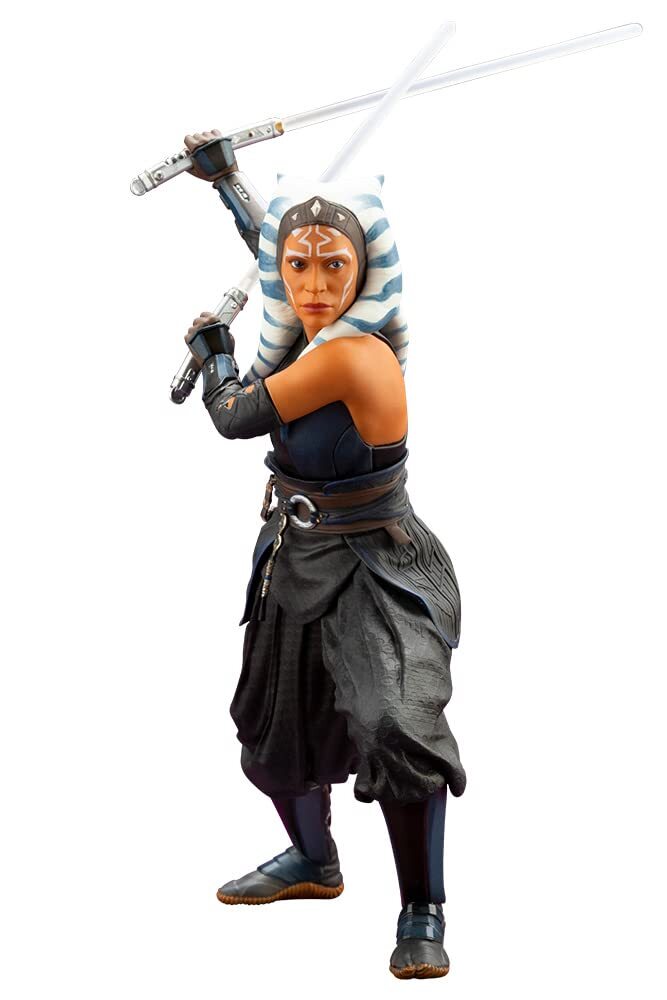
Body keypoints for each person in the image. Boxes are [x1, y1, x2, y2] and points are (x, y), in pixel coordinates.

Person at [184, 133, 466, 979]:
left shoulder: (351, 353)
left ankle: (422, 908)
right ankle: (313, 861)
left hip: (374, 566)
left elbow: (235, 417)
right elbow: (270, 247)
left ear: (365, 270)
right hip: (294, 555)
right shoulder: (311, 321)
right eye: (298, 267)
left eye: (332, 266)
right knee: (273, 730)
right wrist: (228, 183)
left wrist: (216, 356)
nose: (310, 286)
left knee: (397, 730)